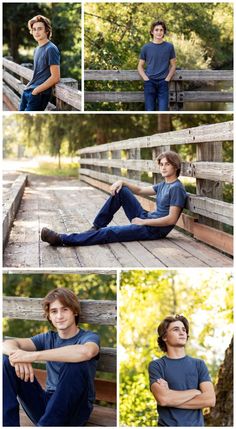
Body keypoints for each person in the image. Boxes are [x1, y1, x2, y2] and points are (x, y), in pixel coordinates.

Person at [40, 150, 187, 247]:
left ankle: (62, 239)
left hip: (154, 230)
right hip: (147, 219)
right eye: (161, 164)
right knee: (121, 191)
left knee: (109, 233)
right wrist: (122, 182)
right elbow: (140, 190)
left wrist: (143, 221)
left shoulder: (176, 188)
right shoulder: (163, 185)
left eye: (167, 164)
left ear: (175, 166)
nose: (163, 167)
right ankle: (96, 227)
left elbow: (171, 219)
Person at [3, 288, 100, 426]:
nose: (59, 316)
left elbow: (86, 352)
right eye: (54, 311)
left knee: (76, 363)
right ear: (49, 316)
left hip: (75, 408)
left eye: (65, 309)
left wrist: (32, 356)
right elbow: (7, 344)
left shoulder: (88, 337)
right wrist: (17, 357)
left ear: (75, 311)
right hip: (46, 405)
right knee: (7, 361)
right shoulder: (47, 338)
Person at [148, 315, 216, 427]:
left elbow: (210, 400)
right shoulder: (157, 366)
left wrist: (171, 397)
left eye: (184, 330)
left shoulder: (199, 364)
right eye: (176, 329)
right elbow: (163, 399)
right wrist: (195, 392)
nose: (182, 332)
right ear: (164, 337)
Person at [19, 15, 60, 111]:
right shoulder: (36, 49)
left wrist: (36, 91)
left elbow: (55, 77)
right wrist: (29, 87)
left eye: (40, 29)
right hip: (28, 91)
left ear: (47, 31)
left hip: (38, 94)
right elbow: (38, 73)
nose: (36, 32)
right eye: (34, 29)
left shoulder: (51, 49)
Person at [138, 20, 176, 111]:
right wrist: (146, 79)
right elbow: (140, 66)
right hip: (149, 83)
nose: (159, 32)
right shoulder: (146, 47)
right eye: (156, 30)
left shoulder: (169, 47)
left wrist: (167, 79)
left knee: (163, 111)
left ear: (164, 32)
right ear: (152, 32)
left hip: (163, 83)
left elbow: (173, 65)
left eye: (161, 30)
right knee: (149, 110)